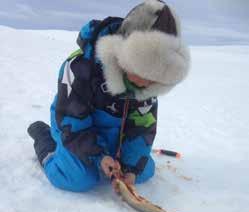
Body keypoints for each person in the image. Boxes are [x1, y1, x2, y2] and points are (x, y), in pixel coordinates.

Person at [27, 0, 190, 193]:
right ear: (124, 57)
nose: (147, 84)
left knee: (144, 171)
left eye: (155, 77)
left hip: (112, 133)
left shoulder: (148, 85)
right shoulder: (81, 67)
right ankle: (44, 138)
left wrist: (131, 169)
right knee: (77, 178)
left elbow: (142, 127)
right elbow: (72, 119)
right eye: (143, 71)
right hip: (72, 126)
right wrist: (99, 156)